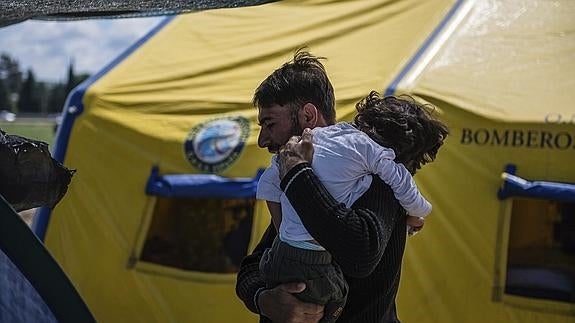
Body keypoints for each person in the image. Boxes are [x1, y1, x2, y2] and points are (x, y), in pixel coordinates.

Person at [235, 50, 448, 322]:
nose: (263, 141)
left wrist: (298, 174)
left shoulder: (374, 179)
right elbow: (255, 264)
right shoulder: (300, 184)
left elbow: (361, 253)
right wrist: (264, 300)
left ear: (308, 117)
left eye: (270, 123)